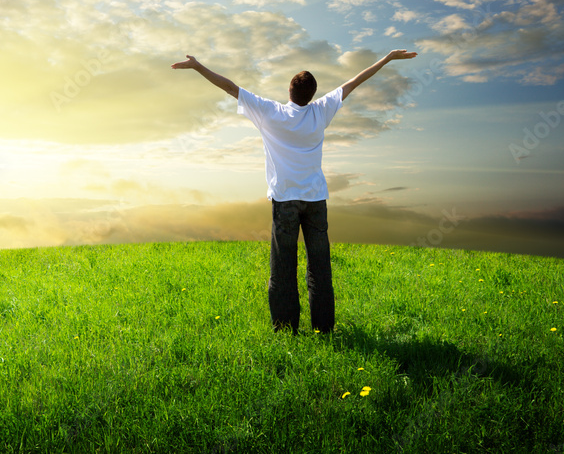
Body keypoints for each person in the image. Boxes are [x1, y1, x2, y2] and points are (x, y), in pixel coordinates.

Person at [171, 49, 417, 335]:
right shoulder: (321, 111)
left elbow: (229, 87)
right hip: (315, 201)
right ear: (312, 95)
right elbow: (354, 82)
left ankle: (286, 329)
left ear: (289, 90)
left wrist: (198, 65)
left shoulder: (269, 112)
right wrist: (386, 59)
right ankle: (323, 329)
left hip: (285, 201)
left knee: (283, 268)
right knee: (320, 269)